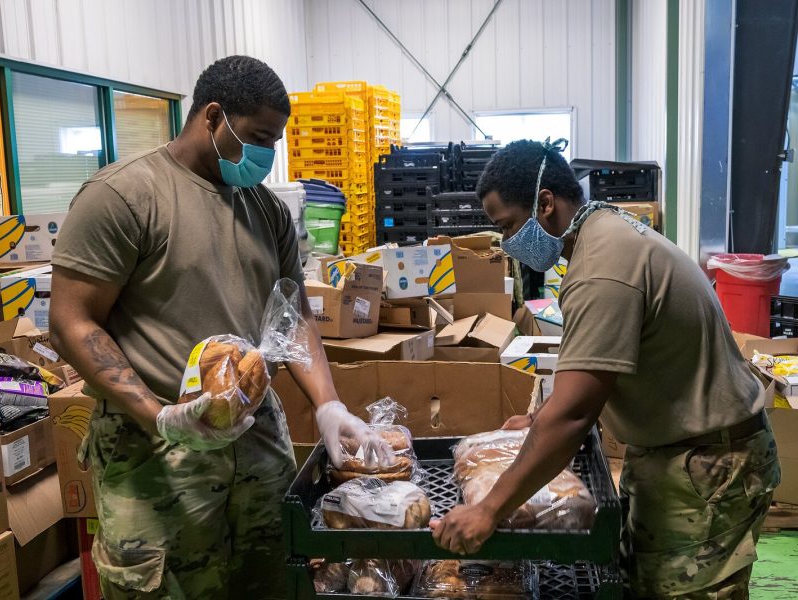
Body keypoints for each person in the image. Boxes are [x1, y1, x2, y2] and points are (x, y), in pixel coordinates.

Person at [49, 55, 392, 599]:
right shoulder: (125, 196)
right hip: (157, 459)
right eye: (258, 137)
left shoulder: (266, 211)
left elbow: (292, 313)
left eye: (274, 141)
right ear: (212, 117)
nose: (267, 155)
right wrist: (160, 416)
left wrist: (328, 404)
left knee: (272, 579)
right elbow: (71, 320)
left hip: (256, 448)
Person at [430, 139, 781, 599]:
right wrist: (537, 420)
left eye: (510, 226)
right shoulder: (605, 236)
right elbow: (595, 366)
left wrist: (489, 510)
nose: (509, 243)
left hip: (709, 468)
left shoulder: (601, 267)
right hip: (674, 454)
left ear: (546, 203)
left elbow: (575, 416)